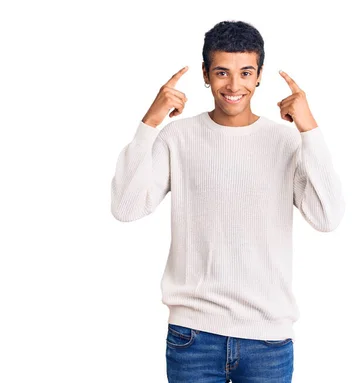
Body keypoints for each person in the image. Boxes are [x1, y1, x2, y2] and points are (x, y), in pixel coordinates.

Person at [110, 20, 345, 383]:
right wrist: (150, 123)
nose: (234, 86)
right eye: (222, 72)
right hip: (193, 336)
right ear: (205, 74)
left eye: (245, 73)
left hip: (268, 339)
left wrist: (309, 128)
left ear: (259, 76)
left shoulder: (285, 142)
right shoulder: (179, 137)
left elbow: (327, 217)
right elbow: (126, 208)